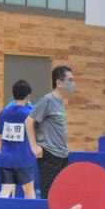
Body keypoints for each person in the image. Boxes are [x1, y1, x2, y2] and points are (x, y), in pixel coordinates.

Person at [30, 65, 74, 197]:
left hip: (62, 155)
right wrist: (34, 146)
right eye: (70, 80)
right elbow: (29, 121)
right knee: (49, 195)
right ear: (59, 82)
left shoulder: (60, 102)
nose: (73, 83)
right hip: (50, 155)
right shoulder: (47, 100)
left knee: (61, 194)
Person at [0, 79, 38, 198]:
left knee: (5, 190)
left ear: (13, 95)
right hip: (25, 159)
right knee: (28, 190)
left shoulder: (3, 113)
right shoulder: (30, 114)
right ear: (28, 97)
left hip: (6, 159)